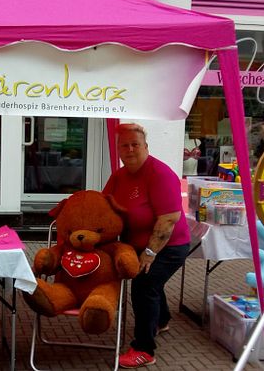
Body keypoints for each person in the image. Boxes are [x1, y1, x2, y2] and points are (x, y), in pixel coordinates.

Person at [102, 123, 190, 369]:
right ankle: (161, 320)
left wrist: (149, 253)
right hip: (135, 243)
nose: (130, 149)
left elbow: (169, 219)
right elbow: (105, 206)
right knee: (152, 282)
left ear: (146, 147)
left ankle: (144, 349)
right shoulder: (119, 175)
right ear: (118, 149)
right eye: (124, 145)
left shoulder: (159, 174)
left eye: (135, 144)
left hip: (169, 246)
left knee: (144, 285)